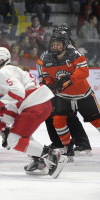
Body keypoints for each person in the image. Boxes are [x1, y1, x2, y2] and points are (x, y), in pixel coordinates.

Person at [0, 47, 68, 178]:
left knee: (13, 139)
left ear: (0, 60)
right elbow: (14, 106)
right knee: (21, 135)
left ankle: (51, 154)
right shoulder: (10, 70)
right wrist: (0, 123)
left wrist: (0, 101)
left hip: (34, 104)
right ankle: (38, 160)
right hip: (38, 103)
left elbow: (18, 93)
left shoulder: (3, 71)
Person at [36, 23, 92, 157]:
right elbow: (42, 67)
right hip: (55, 88)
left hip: (69, 89)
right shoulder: (52, 50)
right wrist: (45, 82)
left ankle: (81, 143)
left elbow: (80, 71)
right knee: (51, 115)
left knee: (68, 116)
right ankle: (59, 142)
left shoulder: (71, 50)